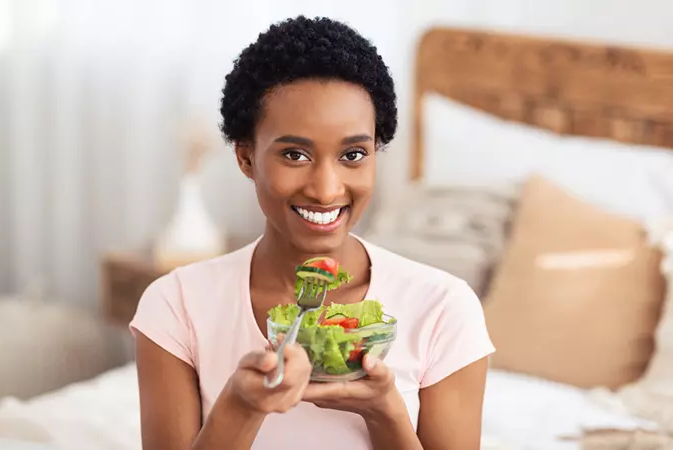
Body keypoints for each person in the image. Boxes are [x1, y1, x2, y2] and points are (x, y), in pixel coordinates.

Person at [130, 15, 494, 450]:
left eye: (354, 154)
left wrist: (384, 410)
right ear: (246, 158)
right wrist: (240, 408)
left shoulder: (443, 309)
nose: (326, 190)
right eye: (295, 154)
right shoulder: (176, 305)